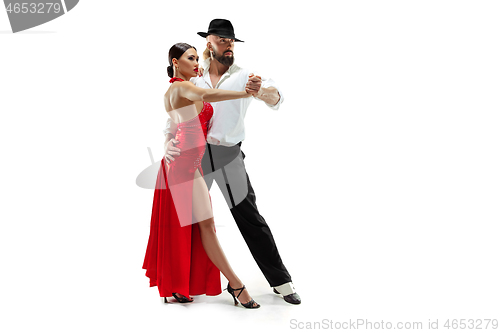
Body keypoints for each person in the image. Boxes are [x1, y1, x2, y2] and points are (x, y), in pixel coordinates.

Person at [163, 19, 301, 305]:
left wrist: (259, 90)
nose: (228, 45)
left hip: (227, 155)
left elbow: (276, 99)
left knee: (249, 218)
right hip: (194, 156)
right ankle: (180, 283)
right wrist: (167, 143)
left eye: (231, 41)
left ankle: (282, 282)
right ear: (208, 43)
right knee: (186, 220)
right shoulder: (194, 77)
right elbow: (174, 116)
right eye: (222, 40)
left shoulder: (247, 75)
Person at [143, 42, 260, 309]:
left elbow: (173, 128)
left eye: (198, 58)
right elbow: (210, 95)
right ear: (175, 63)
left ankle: (177, 286)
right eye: (191, 58)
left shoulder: (171, 92)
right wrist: (244, 93)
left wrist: (166, 145)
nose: (197, 63)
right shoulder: (181, 87)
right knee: (206, 226)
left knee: (190, 228)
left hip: (183, 163)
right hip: (185, 167)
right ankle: (236, 284)